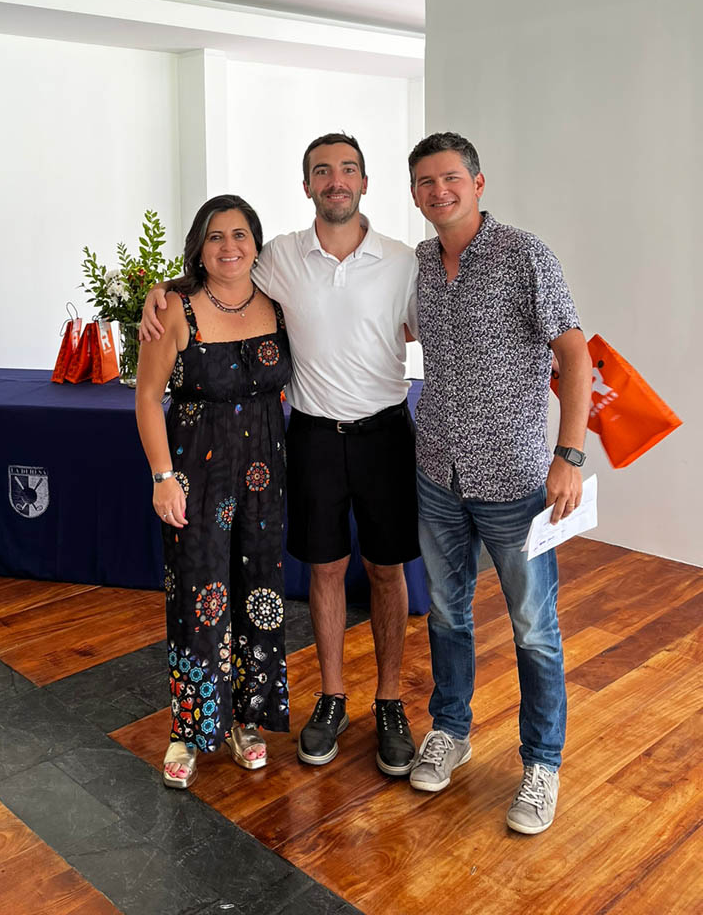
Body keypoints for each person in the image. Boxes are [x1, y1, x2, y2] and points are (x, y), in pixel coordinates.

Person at [143, 135, 420, 778]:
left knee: (368, 574)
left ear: (365, 181)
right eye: (322, 171)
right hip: (306, 440)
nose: (335, 180)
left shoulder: (402, 261)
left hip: (373, 437)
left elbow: (421, 325)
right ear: (306, 186)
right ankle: (322, 701)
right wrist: (158, 291)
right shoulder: (281, 260)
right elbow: (212, 277)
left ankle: (384, 704)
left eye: (347, 169)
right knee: (314, 573)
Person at [406, 131, 591, 834]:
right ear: (415, 193)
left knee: (534, 627)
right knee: (446, 613)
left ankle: (542, 764)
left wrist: (568, 455)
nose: (439, 191)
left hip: (515, 478)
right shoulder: (421, 262)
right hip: (438, 472)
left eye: (450, 178)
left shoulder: (524, 255)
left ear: (478, 184)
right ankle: (450, 730)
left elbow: (574, 353)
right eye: (425, 181)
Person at [136, 194, 292, 790]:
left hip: (265, 475)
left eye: (240, 234)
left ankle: (244, 720)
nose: (229, 247)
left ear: (257, 242)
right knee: (199, 598)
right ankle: (190, 728)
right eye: (215, 236)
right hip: (196, 476)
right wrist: (162, 477)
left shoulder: (278, 302)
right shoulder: (174, 309)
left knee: (259, 594)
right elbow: (147, 396)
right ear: (199, 248)